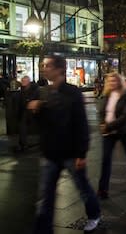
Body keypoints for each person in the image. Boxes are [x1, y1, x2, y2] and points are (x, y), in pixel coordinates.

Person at [27, 55, 101, 233]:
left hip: (70, 152)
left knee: (82, 188)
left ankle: (94, 214)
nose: (44, 68)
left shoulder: (73, 92)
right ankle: (43, 228)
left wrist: (81, 154)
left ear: (59, 69)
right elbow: (41, 125)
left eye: (48, 65)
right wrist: (36, 110)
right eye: (43, 65)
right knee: (46, 195)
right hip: (50, 152)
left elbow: (81, 124)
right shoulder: (43, 91)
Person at [97, 73, 126, 199]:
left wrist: (108, 126)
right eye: (109, 81)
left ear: (119, 82)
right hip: (108, 132)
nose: (112, 83)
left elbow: (125, 116)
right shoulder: (107, 95)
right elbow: (102, 111)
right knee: (106, 159)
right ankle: (102, 189)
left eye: (114, 81)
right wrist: (102, 124)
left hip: (123, 130)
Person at [17, 75, 39, 152]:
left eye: (24, 81)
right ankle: (23, 144)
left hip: (31, 112)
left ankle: (23, 144)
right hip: (25, 112)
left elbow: (31, 100)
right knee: (22, 126)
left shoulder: (33, 89)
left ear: (28, 82)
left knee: (23, 125)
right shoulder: (22, 90)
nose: (23, 82)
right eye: (22, 81)